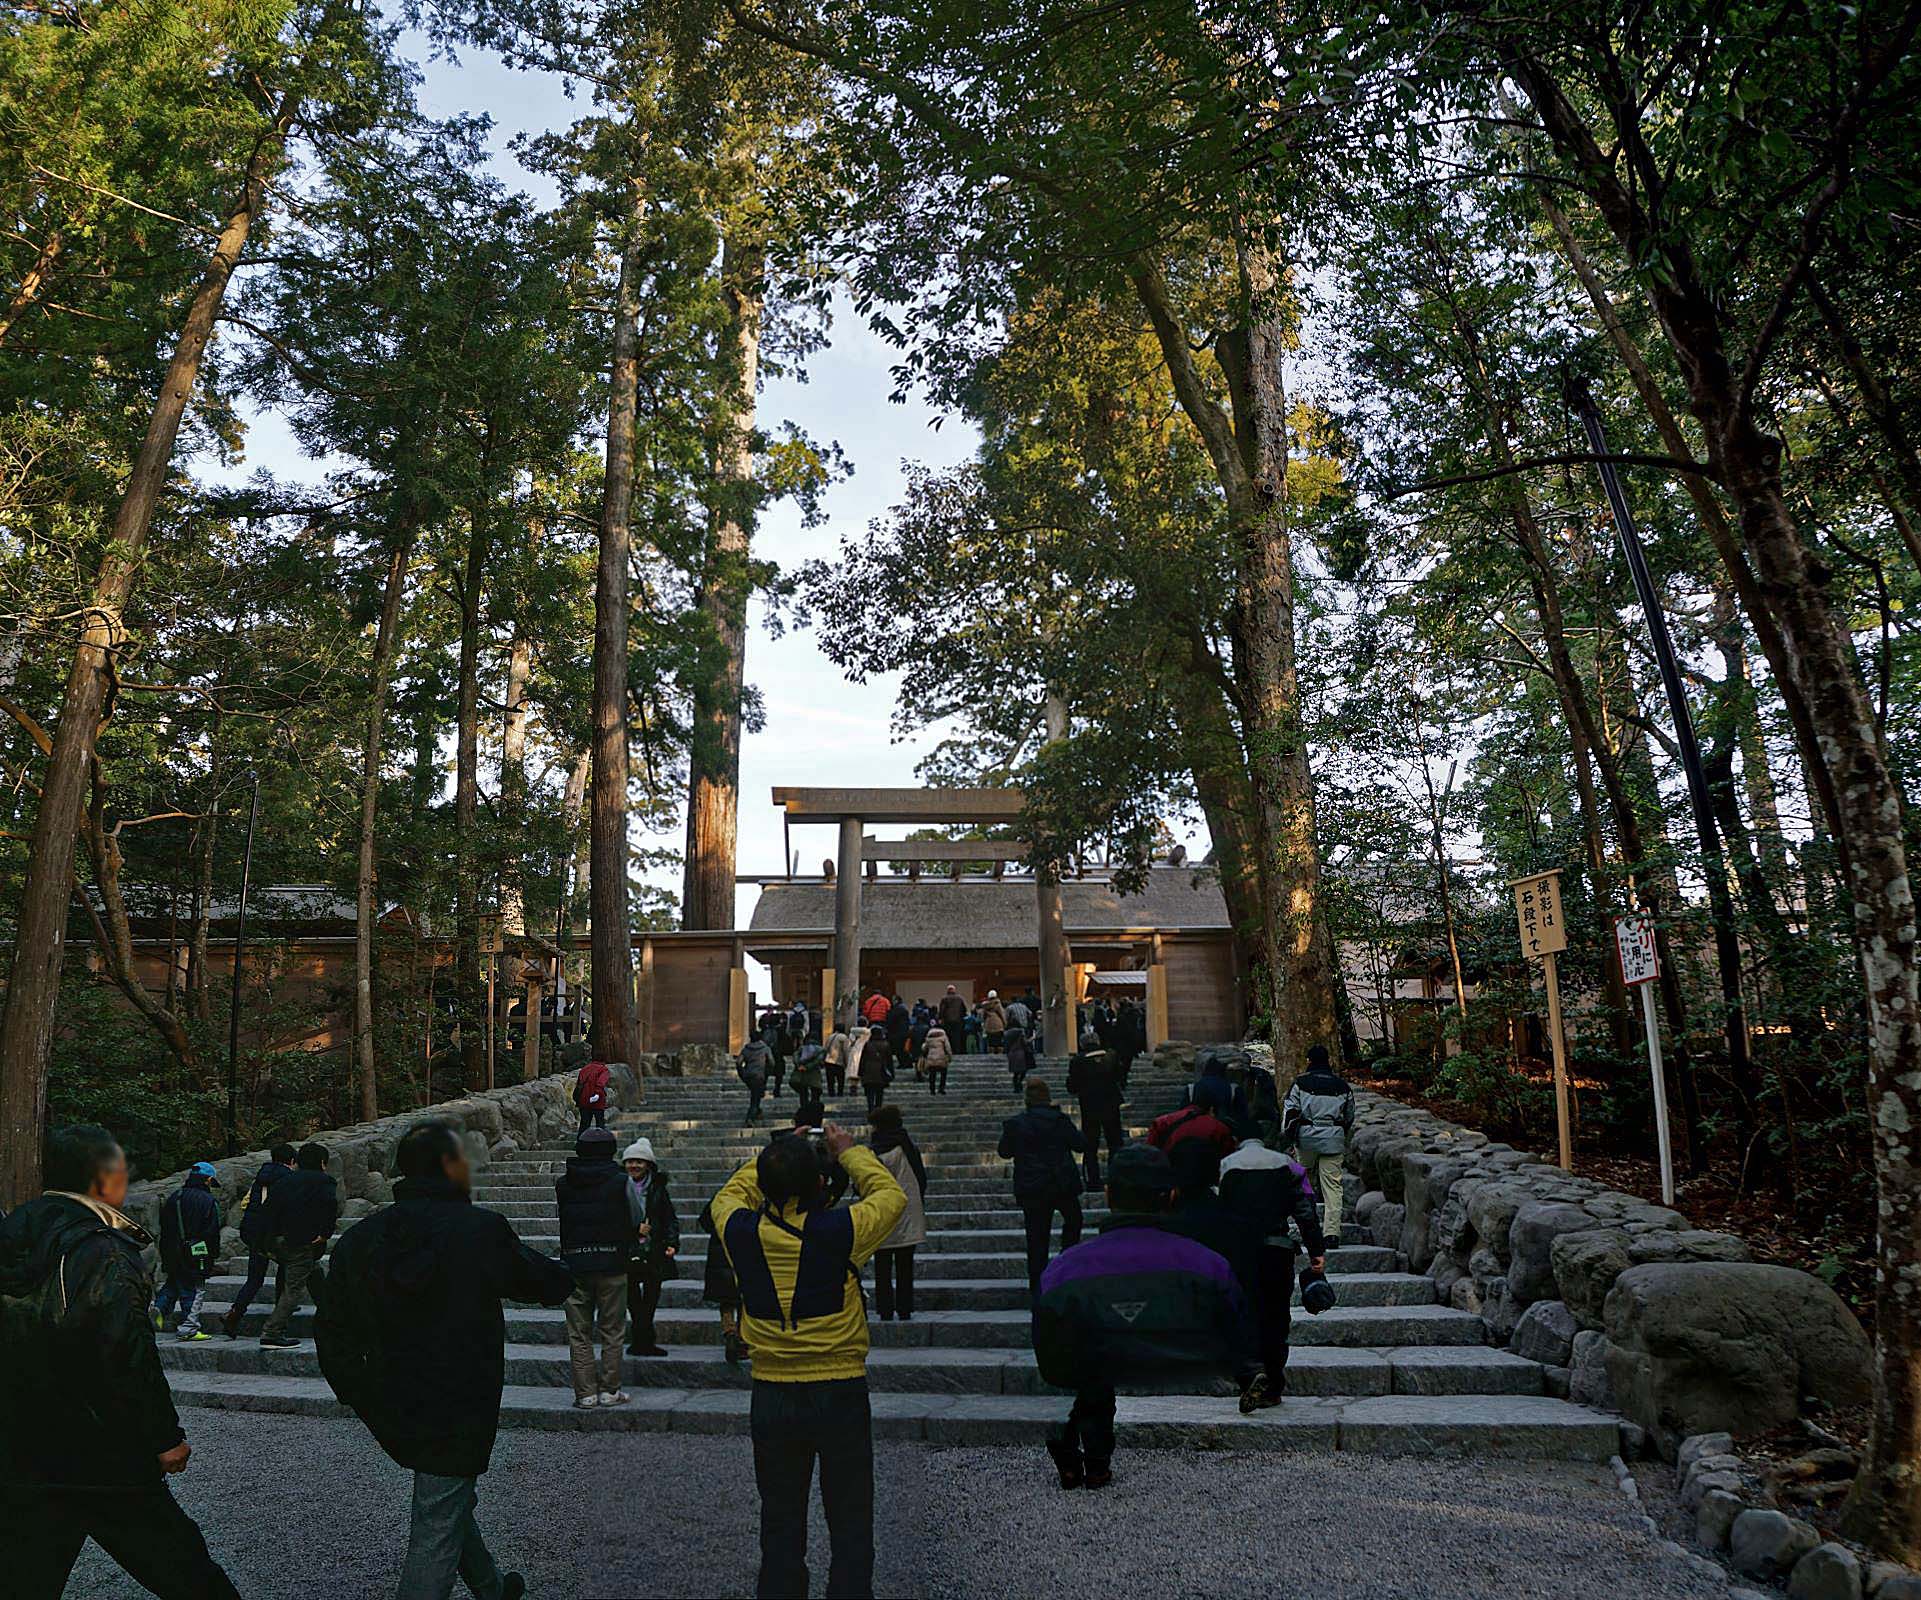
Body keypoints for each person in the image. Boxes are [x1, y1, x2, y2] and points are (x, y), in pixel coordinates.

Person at [318, 1119, 573, 1600]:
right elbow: (540, 1280)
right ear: (449, 1166)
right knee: (438, 1514)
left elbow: (332, 1327)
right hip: (459, 1396)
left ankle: (491, 1588)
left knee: (447, 1494)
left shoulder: (362, 1238)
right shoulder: (477, 1231)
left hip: (389, 1395)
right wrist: (572, 1269)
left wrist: (358, 1389)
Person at [1, 1124, 242, 1599]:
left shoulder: (15, 1233)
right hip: (104, 1450)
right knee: (186, 1572)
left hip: (22, 1443)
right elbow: (125, 1353)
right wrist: (165, 1437)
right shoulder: (103, 1249)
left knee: (24, 1577)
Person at [710, 1120, 906, 1598]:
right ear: (820, 1182)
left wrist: (776, 1154)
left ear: (765, 1184)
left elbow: (727, 1195)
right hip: (840, 1387)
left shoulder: (740, 1230)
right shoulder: (842, 1229)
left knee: (780, 1517)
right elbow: (891, 1196)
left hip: (772, 1390)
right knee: (851, 1516)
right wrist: (849, 1150)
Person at [1032, 1142, 1259, 1490]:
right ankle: (1092, 1457)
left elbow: (1048, 1348)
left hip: (1093, 1356)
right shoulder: (1209, 1265)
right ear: (1171, 1196)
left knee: (1091, 1363)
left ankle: (1092, 1458)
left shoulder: (1063, 1270)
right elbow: (1238, 1327)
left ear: (1108, 1195)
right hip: (1185, 1359)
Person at [1218, 1133, 1327, 1410]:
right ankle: (1274, 1384)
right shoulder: (1287, 1165)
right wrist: (1316, 1251)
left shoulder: (1226, 1165)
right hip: (1277, 1250)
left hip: (1239, 1253)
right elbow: (1305, 1212)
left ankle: (1251, 1374)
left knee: (1243, 1313)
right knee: (1277, 1317)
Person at [555, 1127, 634, 1408]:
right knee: (612, 1330)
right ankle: (610, 1390)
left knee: (579, 1333)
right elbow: (636, 1214)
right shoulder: (622, 1181)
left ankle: (585, 1393)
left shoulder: (563, 1184)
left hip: (575, 1262)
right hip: (613, 1262)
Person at [999, 1078, 1086, 1297]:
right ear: (1047, 1097)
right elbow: (1080, 1144)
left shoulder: (1016, 1124)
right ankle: (1067, 1259)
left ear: (1027, 1099)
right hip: (1061, 1183)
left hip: (1033, 1187)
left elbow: (1004, 1152)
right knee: (1074, 1220)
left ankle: (1038, 1290)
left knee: (1036, 1240)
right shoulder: (1060, 1120)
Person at [259, 1141, 338, 1349]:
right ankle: (272, 1332)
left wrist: (269, 1240)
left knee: (314, 1273)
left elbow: (268, 1210)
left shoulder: (285, 1181)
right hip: (303, 1241)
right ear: (322, 1163)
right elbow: (329, 1207)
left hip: (279, 1240)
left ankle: (332, 1317)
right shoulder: (324, 1181)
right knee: (294, 1288)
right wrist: (325, 1233)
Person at [221, 1142, 295, 1338]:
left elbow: (247, 1203)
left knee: (254, 1278)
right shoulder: (288, 1178)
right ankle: (281, 1311)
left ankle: (234, 1314)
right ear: (292, 1161)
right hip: (273, 1233)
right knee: (286, 1267)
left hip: (253, 1232)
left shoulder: (261, 1177)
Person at [1282, 1044, 1356, 1237]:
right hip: (1333, 1139)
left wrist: (1289, 1136)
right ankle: (1331, 1233)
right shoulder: (1342, 1086)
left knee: (1302, 1179)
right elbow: (1349, 1115)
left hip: (1306, 1138)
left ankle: (1308, 1223)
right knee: (1333, 1187)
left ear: (1309, 1061)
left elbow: (1290, 1111)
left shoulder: (1300, 1083)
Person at [618, 1137, 679, 1360]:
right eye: (629, 1161)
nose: (633, 1165)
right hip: (628, 1250)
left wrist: (672, 1242)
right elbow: (611, 1219)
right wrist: (634, 1230)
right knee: (633, 1300)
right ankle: (643, 1340)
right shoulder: (618, 1186)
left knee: (651, 1298)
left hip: (654, 1249)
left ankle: (643, 1341)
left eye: (639, 1162)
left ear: (648, 1164)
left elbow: (669, 1217)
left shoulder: (658, 1188)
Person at [867, 1105, 926, 1322]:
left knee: (882, 1264)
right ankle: (904, 1307)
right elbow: (921, 1177)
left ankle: (884, 1308)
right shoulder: (907, 1145)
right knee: (905, 1263)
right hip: (908, 1209)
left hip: (882, 1209)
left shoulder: (875, 1150)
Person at [153, 1160, 222, 1342]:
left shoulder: (175, 1196)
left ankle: (159, 1307)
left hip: (171, 1250)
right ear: (208, 1180)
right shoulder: (208, 1201)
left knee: (174, 1282)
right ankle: (189, 1327)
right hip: (196, 1252)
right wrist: (213, 1255)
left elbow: (164, 1225)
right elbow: (212, 1232)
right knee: (194, 1287)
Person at [1066, 1030, 1125, 1191]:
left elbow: (1072, 1086)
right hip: (1111, 1103)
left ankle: (1093, 1180)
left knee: (1090, 1145)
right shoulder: (1111, 1056)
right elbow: (1120, 1076)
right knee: (1115, 1142)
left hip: (1090, 1105)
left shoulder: (1078, 1061)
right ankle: (1117, 1176)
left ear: (1082, 1044)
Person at [1145, 1075, 1242, 1162]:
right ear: (1212, 1108)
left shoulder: (1163, 1122)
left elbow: (1150, 1152)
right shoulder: (1219, 1128)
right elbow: (1227, 1157)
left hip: (1169, 1170)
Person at [858, 1022, 892, 1115]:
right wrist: (891, 1073)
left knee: (870, 1094)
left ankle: (871, 1109)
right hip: (881, 1072)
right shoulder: (886, 1045)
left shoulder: (868, 1044)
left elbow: (863, 1059)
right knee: (879, 1093)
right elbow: (889, 1061)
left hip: (868, 1071)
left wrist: (860, 1072)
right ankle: (878, 1109)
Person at [739, 1033, 773, 1124]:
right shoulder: (765, 1048)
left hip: (749, 1075)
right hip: (759, 1075)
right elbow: (771, 1062)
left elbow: (738, 1062)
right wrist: (767, 1072)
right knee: (755, 1098)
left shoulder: (746, 1049)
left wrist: (742, 1073)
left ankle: (757, 1111)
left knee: (756, 1094)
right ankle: (750, 1117)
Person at [574, 1056, 612, 1133]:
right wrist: (597, 1094)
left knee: (584, 1125)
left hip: (584, 1100)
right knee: (600, 1124)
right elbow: (601, 1083)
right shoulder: (603, 1069)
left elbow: (579, 1083)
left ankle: (581, 1140)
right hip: (597, 1101)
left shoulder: (584, 1069)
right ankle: (600, 1139)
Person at [920, 1022, 953, 1096]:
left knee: (932, 1074)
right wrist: (950, 1057)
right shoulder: (943, 1036)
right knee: (943, 1073)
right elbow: (948, 1048)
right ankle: (941, 1088)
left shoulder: (929, 1037)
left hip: (931, 1058)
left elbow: (924, 1048)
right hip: (941, 1058)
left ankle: (932, 1090)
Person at [823, 1022, 854, 1099]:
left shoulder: (830, 1036)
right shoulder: (844, 1037)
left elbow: (825, 1048)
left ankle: (831, 1093)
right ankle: (840, 1093)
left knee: (830, 1079)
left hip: (829, 1060)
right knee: (840, 1079)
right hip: (838, 1061)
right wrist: (847, 1062)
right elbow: (846, 1050)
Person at [1005, 1025, 1036, 1094]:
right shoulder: (1020, 1035)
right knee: (1023, 1071)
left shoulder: (1010, 1037)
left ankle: (1016, 1087)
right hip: (1020, 1055)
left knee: (1016, 1073)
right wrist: (1032, 1038)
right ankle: (1019, 1084)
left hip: (1012, 1055)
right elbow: (1025, 1043)